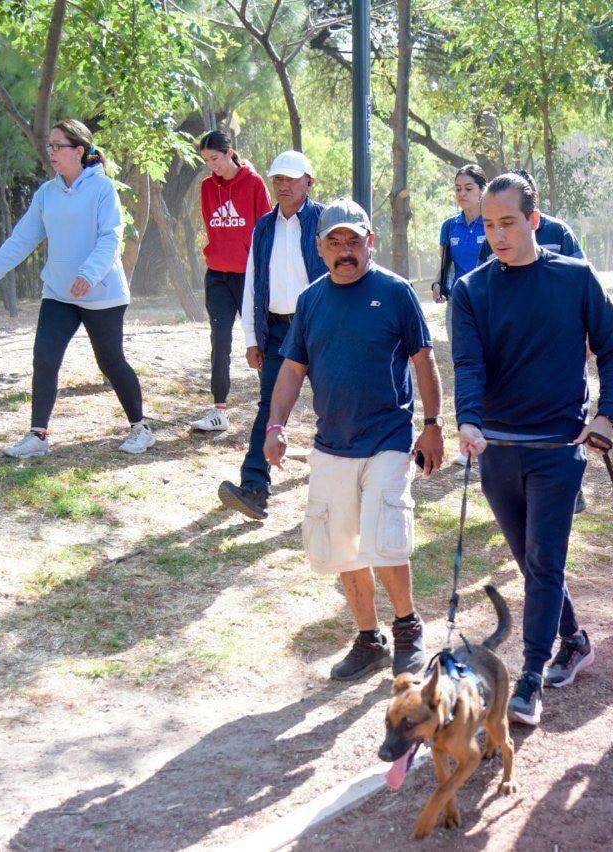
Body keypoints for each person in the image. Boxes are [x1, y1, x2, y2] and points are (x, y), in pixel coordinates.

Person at [452, 173, 613, 725]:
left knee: (545, 560)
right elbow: (468, 365)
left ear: (534, 220)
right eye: (488, 224)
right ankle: (574, 638)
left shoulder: (575, 279)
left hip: (559, 447)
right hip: (498, 449)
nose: (498, 235)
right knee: (531, 563)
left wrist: (606, 414)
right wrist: (470, 421)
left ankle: (530, 677)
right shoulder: (470, 289)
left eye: (508, 222)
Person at [262, 198, 444, 680]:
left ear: (371, 243)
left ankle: (407, 629)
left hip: (387, 435)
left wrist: (433, 424)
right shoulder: (311, 301)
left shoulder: (396, 292)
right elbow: (292, 369)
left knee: (385, 539)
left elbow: (423, 361)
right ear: (319, 248)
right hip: (332, 443)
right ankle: (370, 638)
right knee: (340, 546)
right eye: (335, 242)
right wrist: (275, 426)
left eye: (354, 241)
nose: (345, 251)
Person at [0, 119, 153, 458]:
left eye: (57, 146)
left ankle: (141, 427)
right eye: (49, 145)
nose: (51, 152)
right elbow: (21, 241)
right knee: (45, 358)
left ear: (79, 150)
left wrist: (88, 274)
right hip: (59, 293)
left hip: (102, 293)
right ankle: (38, 436)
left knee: (110, 361)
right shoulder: (47, 194)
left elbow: (111, 236)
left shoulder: (102, 188)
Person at [217, 151, 327, 521]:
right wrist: (251, 336)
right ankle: (253, 488)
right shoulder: (263, 227)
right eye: (278, 179)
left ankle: (345, 481)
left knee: (333, 403)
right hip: (278, 330)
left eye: (291, 179)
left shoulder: (326, 222)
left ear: (309, 182)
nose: (283, 185)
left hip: (323, 325)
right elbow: (252, 283)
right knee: (270, 407)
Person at [192, 131, 273, 433]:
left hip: (248, 275)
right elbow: (212, 227)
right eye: (206, 161)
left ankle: (271, 411)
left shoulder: (253, 183)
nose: (211, 165)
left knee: (257, 339)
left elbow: (265, 230)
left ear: (229, 153)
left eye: (215, 158)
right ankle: (219, 411)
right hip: (217, 275)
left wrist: (263, 273)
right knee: (220, 339)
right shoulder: (206, 188)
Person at [431, 164, 487, 340]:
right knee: (461, 358)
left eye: (468, 188)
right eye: (458, 189)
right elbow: (445, 264)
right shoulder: (449, 226)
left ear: (482, 190)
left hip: (488, 301)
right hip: (458, 301)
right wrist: (437, 283)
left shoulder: (492, 222)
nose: (462, 194)